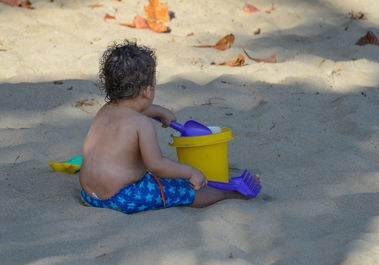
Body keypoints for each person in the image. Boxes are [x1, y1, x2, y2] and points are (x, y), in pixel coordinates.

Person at [79, 40, 259, 214]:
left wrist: (158, 111)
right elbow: (157, 165)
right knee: (181, 189)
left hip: (89, 194)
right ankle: (228, 194)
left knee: (161, 179)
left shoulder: (106, 110)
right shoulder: (142, 124)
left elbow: (128, 114)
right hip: (121, 196)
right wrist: (191, 172)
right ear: (147, 91)